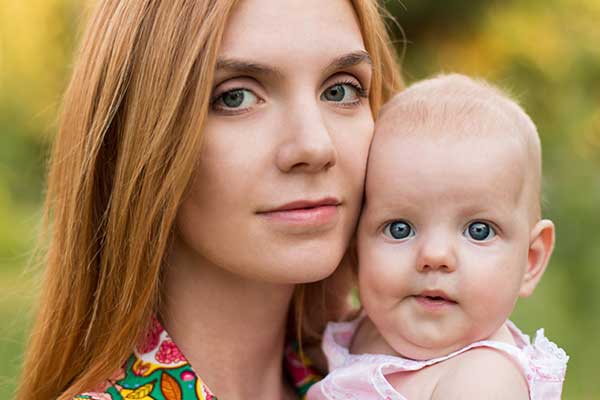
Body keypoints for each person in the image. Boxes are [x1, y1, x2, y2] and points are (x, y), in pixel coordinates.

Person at [15, 0, 403, 399]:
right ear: (134, 136)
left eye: (341, 89)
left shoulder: (395, 381)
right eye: (235, 97)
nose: (315, 145)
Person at [307, 74, 569, 400]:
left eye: (478, 231)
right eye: (399, 229)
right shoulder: (363, 330)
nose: (435, 256)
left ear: (530, 260)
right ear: (357, 249)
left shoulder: (483, 381)